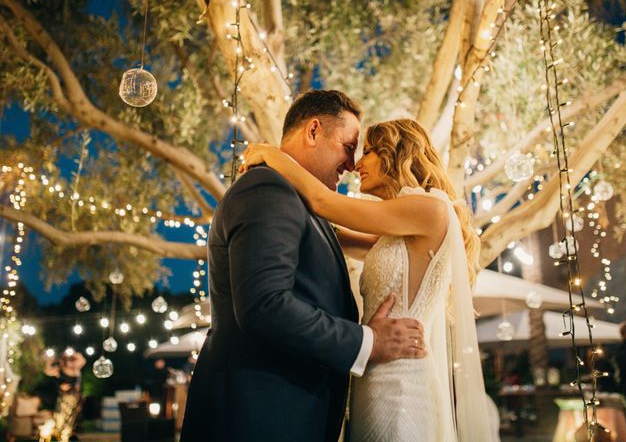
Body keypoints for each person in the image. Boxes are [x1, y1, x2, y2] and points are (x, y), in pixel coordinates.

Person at [180, 90, 426, 442]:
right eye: (348, 146)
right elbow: (264, 305)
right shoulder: (267, 188)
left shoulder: (305, 205)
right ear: (313, 131)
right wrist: (367, 341)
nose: (352, 163)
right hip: (258, 419)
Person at [242, 117, 494, 441]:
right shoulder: (399, 229)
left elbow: (323, 202)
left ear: (397, 154)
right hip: (372, 376)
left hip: (402, 383)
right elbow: (334, 235)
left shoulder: (429, 208)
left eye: (370, 152)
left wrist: (271, 155)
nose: (357, 163)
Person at [44, 349, 86, 441]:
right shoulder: (60, 369)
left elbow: (82, 360)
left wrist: (73, 353)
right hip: (62, 398)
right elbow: (47, 371)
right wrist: (49, 360)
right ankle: (60, 435)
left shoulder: (75, 369)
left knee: (70, 418)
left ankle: (66, 435)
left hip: (72, 398)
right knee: (60, 417)